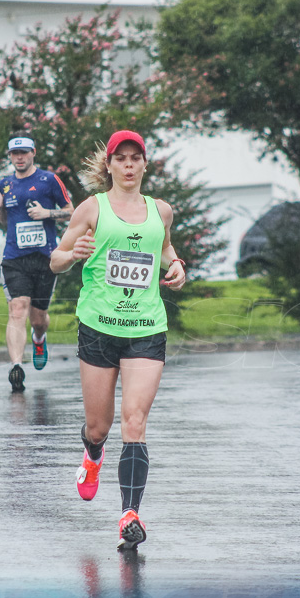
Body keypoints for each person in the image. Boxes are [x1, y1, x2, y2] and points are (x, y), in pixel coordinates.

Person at [50, 130, 187, 550]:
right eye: (120, 159)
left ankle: (130, 513)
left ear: (145, 164)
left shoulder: (160, 211)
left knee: (135, 422)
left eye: (135, 158)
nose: (128, 165)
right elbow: (56, 259)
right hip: (98, 326)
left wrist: (177, 264)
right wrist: (71, 256)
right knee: (99, 425)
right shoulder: (92, 209)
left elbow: (163, 247)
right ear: (108, 165)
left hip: (146, 327)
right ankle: (93, 456)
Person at [0, 134, 74, 392]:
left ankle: (39, 338)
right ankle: (16, 367)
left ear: (33, 153)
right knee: (17, 309)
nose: (20, 157)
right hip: (14, 258)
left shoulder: (48, 180)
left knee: (38, 318)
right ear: (10, 157)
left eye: (24, 152)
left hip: (45, 259)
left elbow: (72, 211)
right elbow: (4, 220)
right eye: (15, 153)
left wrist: (47, 213)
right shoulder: (4, 185)